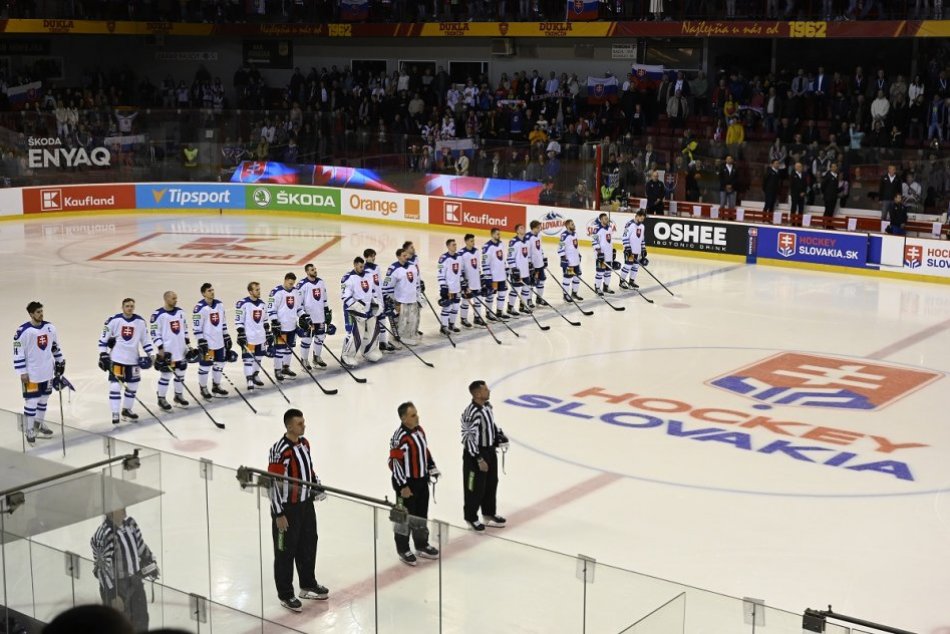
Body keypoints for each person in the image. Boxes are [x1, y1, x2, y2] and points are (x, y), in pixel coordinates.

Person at [268, 408, 329, 613]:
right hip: (287, 509)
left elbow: (308, 469)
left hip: (305, 505)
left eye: (304, 422)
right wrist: (279, 513)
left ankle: (307, 584)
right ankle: (286, 594)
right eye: (300, 423)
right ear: (289, 426)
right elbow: (273, 483)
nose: (304, 426)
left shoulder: (304, 444)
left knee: (309, 544)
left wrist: (317, 486)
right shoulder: (279, 450)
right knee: (285, 552)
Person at [388, 401, 441, 566]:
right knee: (403, 518)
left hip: (421, 481)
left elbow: (424, 450)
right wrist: (403, 486)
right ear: (404, 418)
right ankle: (403, 549)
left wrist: (431, 466)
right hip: (406, 484)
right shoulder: (399, 438)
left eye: (416, 414)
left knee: (421, 514)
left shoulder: (419, 431)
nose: (417, 417)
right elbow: (394, 463)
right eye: (413, 415)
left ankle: (421, 544)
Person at [91, 507, 159, 632]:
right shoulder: (104, 534)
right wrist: (113, 594)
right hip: (118, 588)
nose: (124, 509)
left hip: (136, 582)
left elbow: (141, 547)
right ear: (110, 512)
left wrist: (151, 563)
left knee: (141, 620)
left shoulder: (130, 525)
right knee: (119, 625)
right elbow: (101, 569)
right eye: (119, 507)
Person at [13, 301, 64, 444]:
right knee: (31, 402)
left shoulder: (50, 328)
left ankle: (38, 424)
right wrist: (22, 372)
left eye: (41, 311)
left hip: (47, 372)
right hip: (32, 374)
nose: (41, 314)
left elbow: (55, 347)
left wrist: (60, 361)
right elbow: (17, 352)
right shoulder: (23, 331)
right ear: (31, 314)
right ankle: (29, 429)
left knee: (44, 399)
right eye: (38, 312)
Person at [461, 380, 508, 532]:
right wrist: (478, 458)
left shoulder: (487, 407)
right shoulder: (471, 413)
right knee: (474, 488)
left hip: (489, 451)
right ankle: (471, 517)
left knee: (491, 483)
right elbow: (468, 438)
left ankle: (488, 513)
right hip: (475, 454)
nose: (489, 391)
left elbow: (490, 426)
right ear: (477, 393)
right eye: (486, 389)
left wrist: (498, 436)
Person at [98, 299, 155, 426]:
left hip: (133, 360)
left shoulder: (140, 322)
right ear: (122, 307)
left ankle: (127, 410)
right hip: (117, 359)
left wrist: (151, 355)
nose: (130, 308)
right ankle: (115, 413)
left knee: (133, 386)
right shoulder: (114, 320)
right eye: (127, 306)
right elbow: (103, 339)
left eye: (132, 306)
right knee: (115, 386)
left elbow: (145, 340)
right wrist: (103, 354)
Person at [150, 291, 192, 411]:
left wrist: (189, 346)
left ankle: (178, 396)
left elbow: (185, 330)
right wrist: (161, 349)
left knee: (181, 373)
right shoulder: (157, 315)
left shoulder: (181, 312)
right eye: (173, 298)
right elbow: (154, 333)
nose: (176, 300)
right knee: (166, 375)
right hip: (168, 352)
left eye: (176, 298)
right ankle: (161, 398)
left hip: (181, 349)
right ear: (166, 299)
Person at [341, 257, 383, 366]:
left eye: (363, 266)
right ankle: (346, 356)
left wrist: (375, 302)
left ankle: (368, 351)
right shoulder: (348, 278)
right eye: (360, 266)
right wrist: (356, 307)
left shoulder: (368, 275)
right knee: (355, 334)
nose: (362, 268)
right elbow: (345, 296)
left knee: (372, 330)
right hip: (354, 311)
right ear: (355, 265)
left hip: (368, 309)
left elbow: (372, 291)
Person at [192, 283, 231, 399]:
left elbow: (223, 322)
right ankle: (203, 388)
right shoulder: (199, 308)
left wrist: (226, 336)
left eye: (212, 290)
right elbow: (197, 327)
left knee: (220, 364)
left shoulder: (219, 304)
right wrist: (201, 340)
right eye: (209, 290)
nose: (212, 292)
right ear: (203, 293)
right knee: (205, 366)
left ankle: (216, 386)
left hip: (219, 342)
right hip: (208, 344)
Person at [296, 264, 332, 371]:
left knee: (320, 337)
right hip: (309, 318)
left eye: (315, 269)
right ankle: (304, 360)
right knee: (307, 339)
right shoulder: (302, 284)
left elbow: (324, 299)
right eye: (312, 270)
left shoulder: (321, 282)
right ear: (307, 272)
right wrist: (303, 316)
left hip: (320, 316)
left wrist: (326, 311)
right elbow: (298, 303)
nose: (315, 271)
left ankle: (317, 358)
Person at [383, 248, 422, 343]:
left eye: (406, 255)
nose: (406, 257)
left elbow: (416, 282)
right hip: (400, 300)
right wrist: (393, 301)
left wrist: (418, 294)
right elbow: (387, 286)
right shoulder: (393, 268)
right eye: (404, 256)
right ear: (398, 257)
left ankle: (408, 337)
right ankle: (394, 339)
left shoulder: (412, 266)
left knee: (411, 320)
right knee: (399, 322)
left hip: (412, 299)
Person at [234, 282, 268, 391]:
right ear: (250, 291)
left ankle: (255, 375)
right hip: (249, 337)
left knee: (259, 357)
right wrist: (241, 333)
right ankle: (249, 379)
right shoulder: (242, 304)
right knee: (248, 359)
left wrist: (268, 332)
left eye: (259, 289)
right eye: (256, 290)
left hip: (260, 337)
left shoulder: (262, 304)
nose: (259, 291)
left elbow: (265, 321)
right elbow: (238, 321)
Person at [267, 273, 301, 381]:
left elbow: (298, 308)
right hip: (280, 328)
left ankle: (286, 368)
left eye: (293, 283)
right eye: (290, 283)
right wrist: (274, 321)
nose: (291, 285)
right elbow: (271, 309)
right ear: (285, 280)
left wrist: (304, 316)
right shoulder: (276, 292)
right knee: (280, 350)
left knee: (289, 349)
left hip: (292, 326)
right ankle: (277, 370)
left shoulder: (295, 291)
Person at [364, 248, 396, 353]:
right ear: (366, 257)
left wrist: (384, 296)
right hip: (372, 301)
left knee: (382, 321)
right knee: (372, 324)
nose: (373, 258)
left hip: (380, 299)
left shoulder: (376, 267)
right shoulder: (364, 270)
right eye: (371, 256)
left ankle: (383, 343)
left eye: (374, 256)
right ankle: (371, 346)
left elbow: (379, 283)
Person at [481, 228, 510, 321]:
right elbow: (485, 263)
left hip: (501, 275)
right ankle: (488, 313)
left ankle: (499, 312)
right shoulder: (487, 247)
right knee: (491, 295)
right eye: (497, 234)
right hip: (493, 277)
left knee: (502, 293)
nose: (499, 236)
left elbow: (503, 259)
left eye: (499, 234)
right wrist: (487, 277)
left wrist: (506, 269)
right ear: (492, 234)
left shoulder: (501, 244)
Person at [458, 233, 486, 328]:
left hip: (476, 281)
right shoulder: (461, 253)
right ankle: (463, 319)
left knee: (478, 300)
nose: (473, 242)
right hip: (468, 282)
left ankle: (477, 318)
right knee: (466, 301)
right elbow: (460, 270)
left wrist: (481, 277)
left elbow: (478, 266)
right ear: (466, 241)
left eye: (473, 240)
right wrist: (463, 282)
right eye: (471, 241)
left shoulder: (476, 251)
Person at [436, 239, 463, 335]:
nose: (455, 246)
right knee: (447, 307)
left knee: (455, 307)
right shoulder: (443, 258)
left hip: (457, 287)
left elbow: (460, 272)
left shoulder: (459, 257)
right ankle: (444, 327)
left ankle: (451, 324)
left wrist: (463, 282)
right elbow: (440, 274)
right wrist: (443, 286)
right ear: (448, 246)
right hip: (449, 288)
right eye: (453, 245)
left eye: (455, 244)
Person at [506, 224, 533, 316]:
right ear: (517, 231)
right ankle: (510, 307)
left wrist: (530, 264)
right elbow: (510, 257)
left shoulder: (527, 241)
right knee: (515, 289)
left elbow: (528, 255)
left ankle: (523, 306)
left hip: (525, 271)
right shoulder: (513, 242)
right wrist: (513, 269)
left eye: (524, 228)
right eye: (521, 228)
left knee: (526, 289)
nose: (523, 229)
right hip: (517, 271)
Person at [620, 210, 647, 290]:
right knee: (628, 266)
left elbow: (642, 239)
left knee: (635, 266)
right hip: (630, 251)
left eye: (643, 219)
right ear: (637, 216)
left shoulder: (642, 226)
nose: (642, 220)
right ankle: (622, 282)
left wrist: (643, 249)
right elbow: (624, 237)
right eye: (641, 218)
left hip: (637, 251)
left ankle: (631, 282)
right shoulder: (629, 224)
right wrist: (627, 248)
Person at [558, 219, 584, 302]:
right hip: (569, 262)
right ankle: (565, 295)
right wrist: (563, 258)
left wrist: (578, 254)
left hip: (576, 261)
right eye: (572, 224)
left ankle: (574, 293)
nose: (574, 225)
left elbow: (575, 247)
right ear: (567, 226)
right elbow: (560, 248)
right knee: (567, 278)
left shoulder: (575, 234)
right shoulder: (564, 235)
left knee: (578, 276)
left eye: (573, 224)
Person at [592, 213, 617, 296]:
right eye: (605, 218)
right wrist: (599, 253)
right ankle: (597, 288)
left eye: (607, 218)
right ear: (601, 220)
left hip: (608, 254)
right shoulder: (596, 229)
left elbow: (609, 241)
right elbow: (594, 242)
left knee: (608, 272)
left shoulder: (609, 228)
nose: (607, 220)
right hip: (601, 254)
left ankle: (606, 287)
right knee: (600, 272)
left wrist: (612, 251)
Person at [526, 220, 548, 307]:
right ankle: (529, 300)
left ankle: (539, 299)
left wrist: (543, 258)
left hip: (539, 263)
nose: (540, 229)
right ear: (534, 228)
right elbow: (526, 252)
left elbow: (540, 248)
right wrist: (529, 263)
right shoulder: (528, 237)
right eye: (538, 227)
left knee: (542, 281)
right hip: (532, 265)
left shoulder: (539, 235)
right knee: (531, 283)